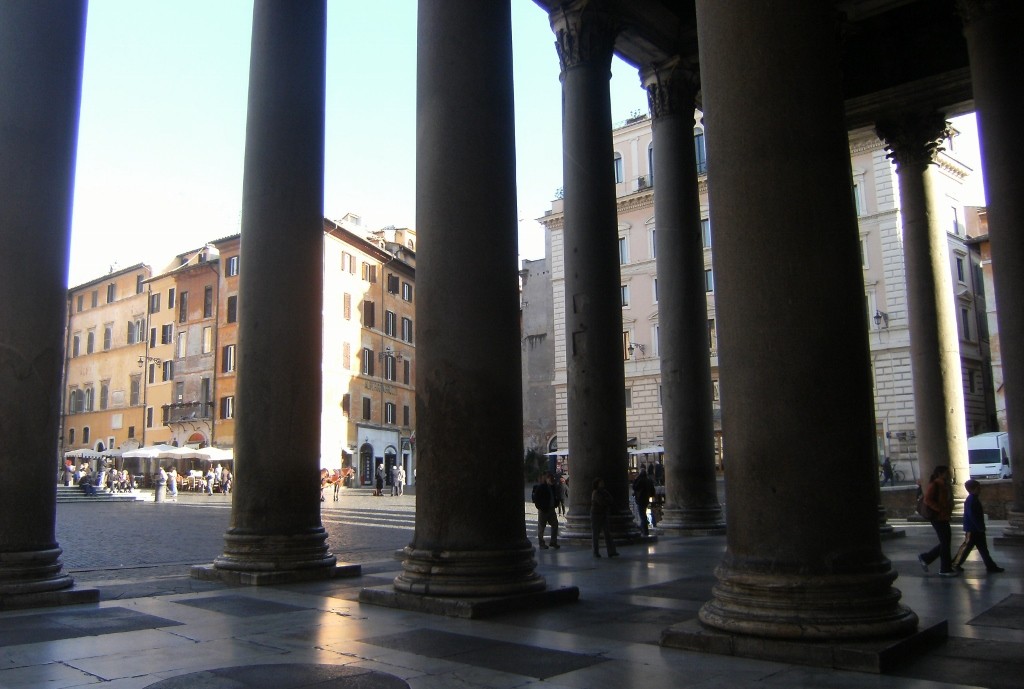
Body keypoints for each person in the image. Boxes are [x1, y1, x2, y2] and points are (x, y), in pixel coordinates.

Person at [952, 479, 1005, 573]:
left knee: (982, 549)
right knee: (966, 547)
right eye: (978, 487)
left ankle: (991, 566)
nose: (980, 489)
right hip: (973, 529)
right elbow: (972, 515)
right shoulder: (972, 500)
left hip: (975, 529)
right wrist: (979, 527)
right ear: (974, 489)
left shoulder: (973, 499)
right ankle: (955, 564)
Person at [918, 465, 957, 576]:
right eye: (946, 472)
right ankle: (945, 569)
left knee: (945, 542)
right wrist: (939, 509)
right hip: (938, 517)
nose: (948, 474)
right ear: (940, 473)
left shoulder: (944, 485)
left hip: (943, 517)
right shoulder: (935, 484)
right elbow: (927, 499)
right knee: (945, 542)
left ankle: (926, 558)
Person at [590, 477, 619, 558]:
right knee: (596, 534)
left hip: (603, 514)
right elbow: (602, 502)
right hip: (596, 515)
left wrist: (606, 501)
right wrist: (607, 501)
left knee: (607, 533)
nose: (602, 484)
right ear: (597, 484)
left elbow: (610, 499)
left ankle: (611, 551)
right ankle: (596, 552)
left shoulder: (604, 491)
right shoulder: (595, 493)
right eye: (601, 482)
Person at [531, 472, 560, 549]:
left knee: (555, 525)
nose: (552, 480)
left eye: (552, 478)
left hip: (551, 509)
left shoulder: (552, 487)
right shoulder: (541, 487)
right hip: (543, 510)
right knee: (541, 527)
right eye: (550, 478)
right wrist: (539, 507)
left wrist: (556, 503)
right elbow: (536, 498)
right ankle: (541, 543)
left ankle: (553, 542)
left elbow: (555, 496)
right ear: (546, 479)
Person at [632, 467, 655, 537]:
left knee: (642, 516)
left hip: (640, 499)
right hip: (646, 499)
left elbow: (634, 487)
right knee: (643, 515)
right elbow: (652, 491)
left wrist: (635, 479)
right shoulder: (649, 480)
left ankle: (644, 530)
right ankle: (645, 530)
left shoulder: (640, 480)